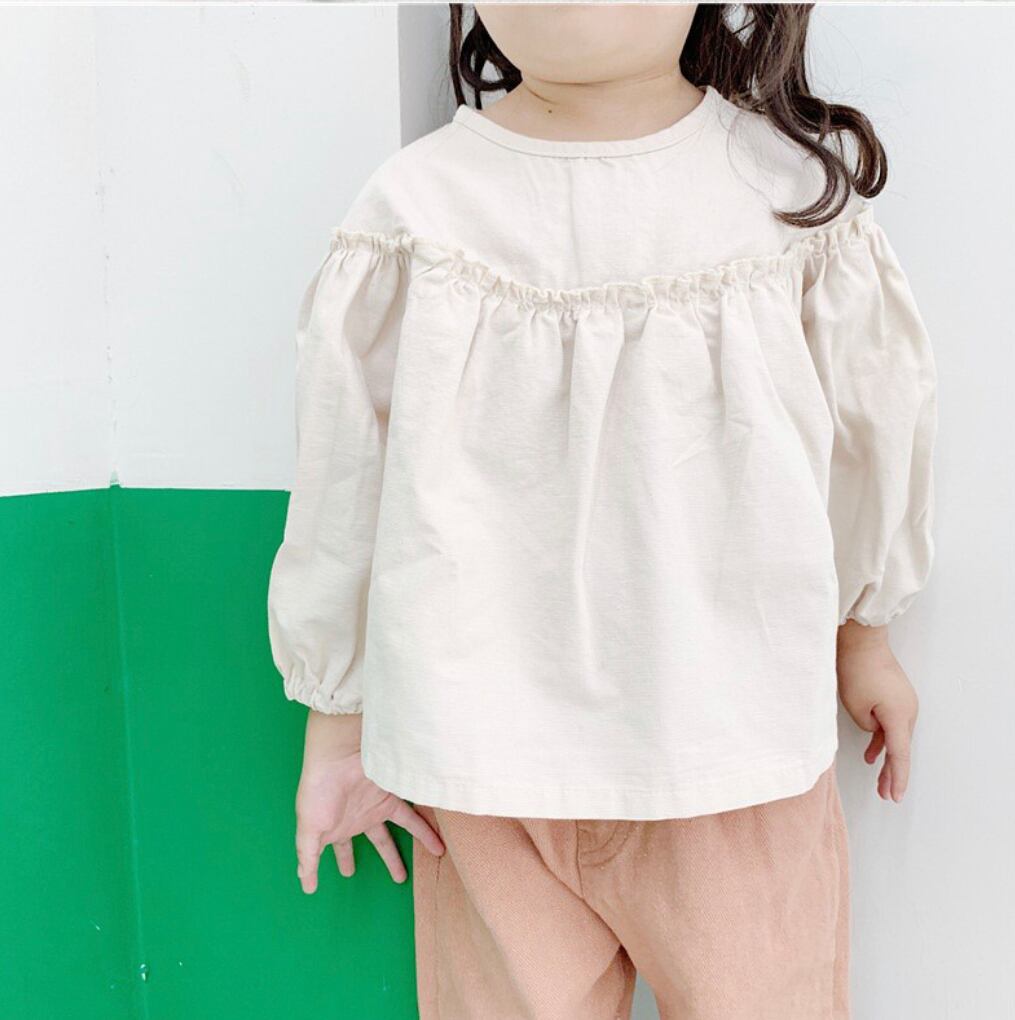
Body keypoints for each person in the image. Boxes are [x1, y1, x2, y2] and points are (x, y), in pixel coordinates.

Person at [266, 4, 937, 1017]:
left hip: (733, 752)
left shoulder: (784, 198)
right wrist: (337, 722)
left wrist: (864, 638)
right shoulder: (416, 209)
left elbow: (871, 430)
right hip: (484, 773)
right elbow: (343, 480)